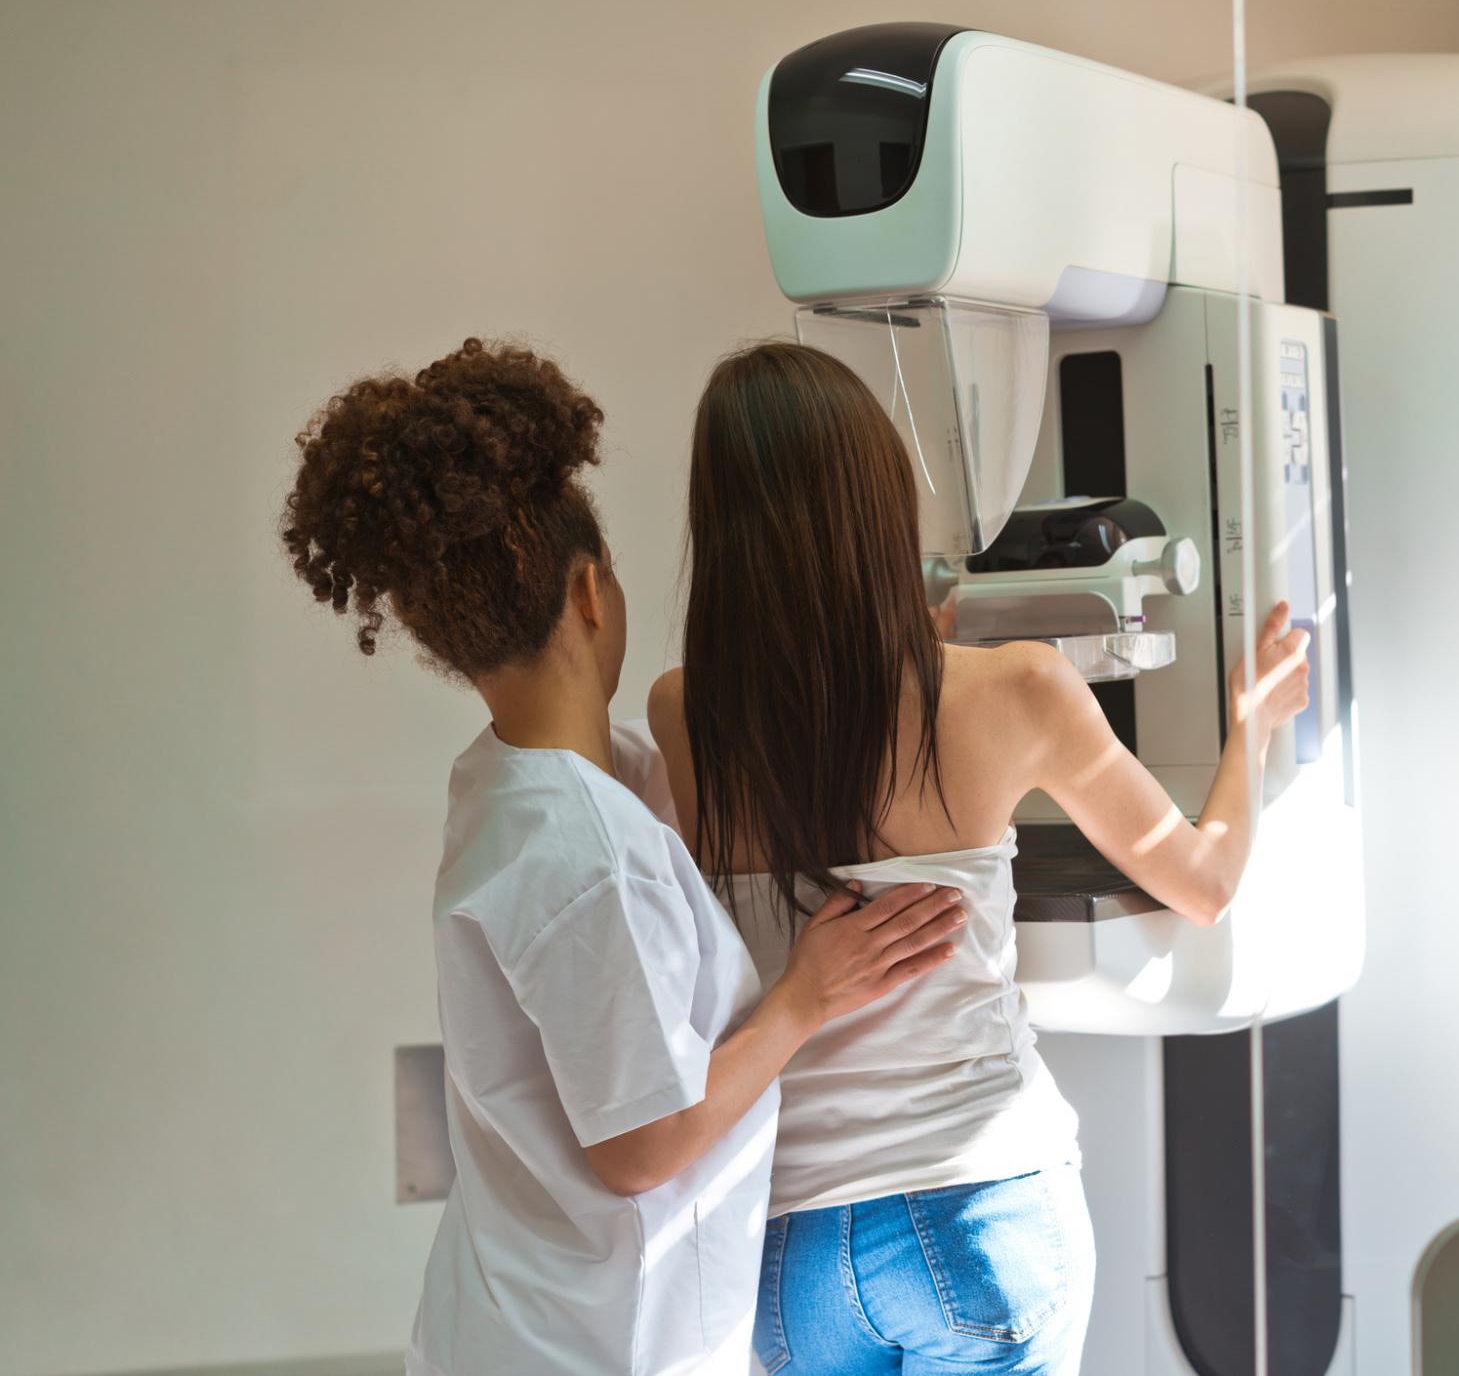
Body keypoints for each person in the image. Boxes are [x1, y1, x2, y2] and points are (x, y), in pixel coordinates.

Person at [279, 338, 965, 1376]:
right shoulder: (586, 853)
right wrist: (805, 997)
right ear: (591, 592)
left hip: (518, 1320)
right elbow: (641, 1147)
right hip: (596, 1346)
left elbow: (659, 806)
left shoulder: (507, 786)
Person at [648, 341, 1313, 1375]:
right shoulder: (1014, 690)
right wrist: (1250, 728)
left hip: (792, 1255)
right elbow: (1205, 884)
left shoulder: (682, 712)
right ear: (876, 511)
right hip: (984, 1216)